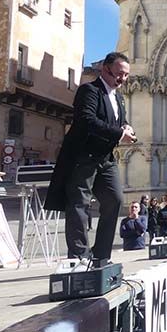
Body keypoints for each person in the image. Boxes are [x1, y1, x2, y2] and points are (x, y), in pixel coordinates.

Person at [45, 52, 136, 268]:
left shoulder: (118, 98)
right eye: (119, 73)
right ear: (105, 69)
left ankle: (101, 255)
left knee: (114, 199)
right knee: (79, 204)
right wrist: (118, 133)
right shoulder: (89, 90)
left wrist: (127, 127)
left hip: (105, 158)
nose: (122, 79)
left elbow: (118, 122)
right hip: (82, 156)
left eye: (126, 75)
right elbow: (87, 120)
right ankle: (79, 256)